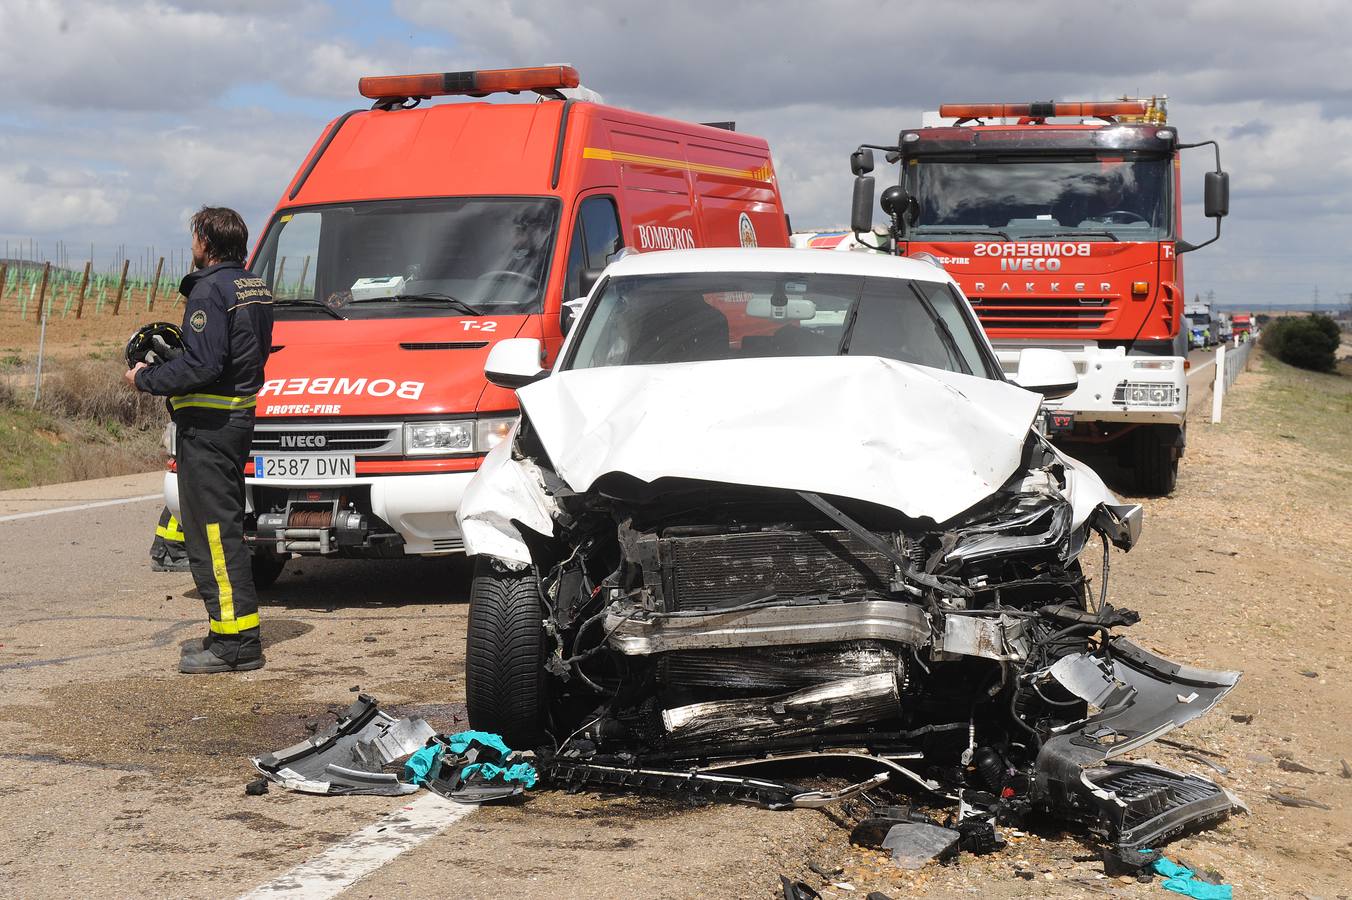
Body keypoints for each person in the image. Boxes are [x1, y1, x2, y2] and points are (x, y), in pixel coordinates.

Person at [125, 206, 274, 673]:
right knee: (221, 528)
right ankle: (224, 631)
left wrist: (147, 377)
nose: (192, 245)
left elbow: (204, 366)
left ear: (205, 241)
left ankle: (236, 645)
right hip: (234, 423)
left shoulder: (209, 289)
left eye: (194, 236)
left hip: (209, 429)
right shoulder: (253, 286)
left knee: (213, 534)